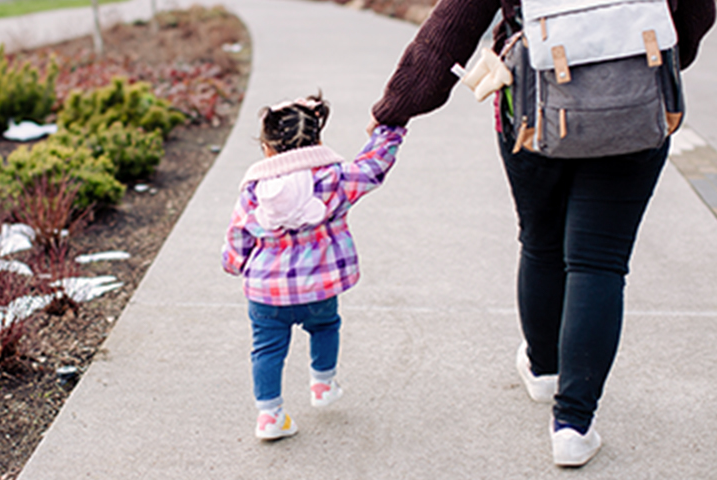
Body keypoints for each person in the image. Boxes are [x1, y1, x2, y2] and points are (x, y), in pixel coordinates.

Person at [369, 0, 715, 467]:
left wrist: (396, 108)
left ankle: (544, 369)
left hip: (533, 108)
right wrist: (644, 57)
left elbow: (451, 27)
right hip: (637, 102)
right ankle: (573, 426)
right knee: (599, 262)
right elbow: (697, 13)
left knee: (541, 241)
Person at [222, 93, 406, 440]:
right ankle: (322, 384)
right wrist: (389, 131)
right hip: (319, 287)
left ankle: (270, 416)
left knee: (266, 348)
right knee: (325, 326)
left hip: (266, 294)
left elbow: (238, 232)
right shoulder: (334, 179)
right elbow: (373, 166)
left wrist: (234, 263)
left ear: (268, 148)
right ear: (318, 140)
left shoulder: (253, 190)